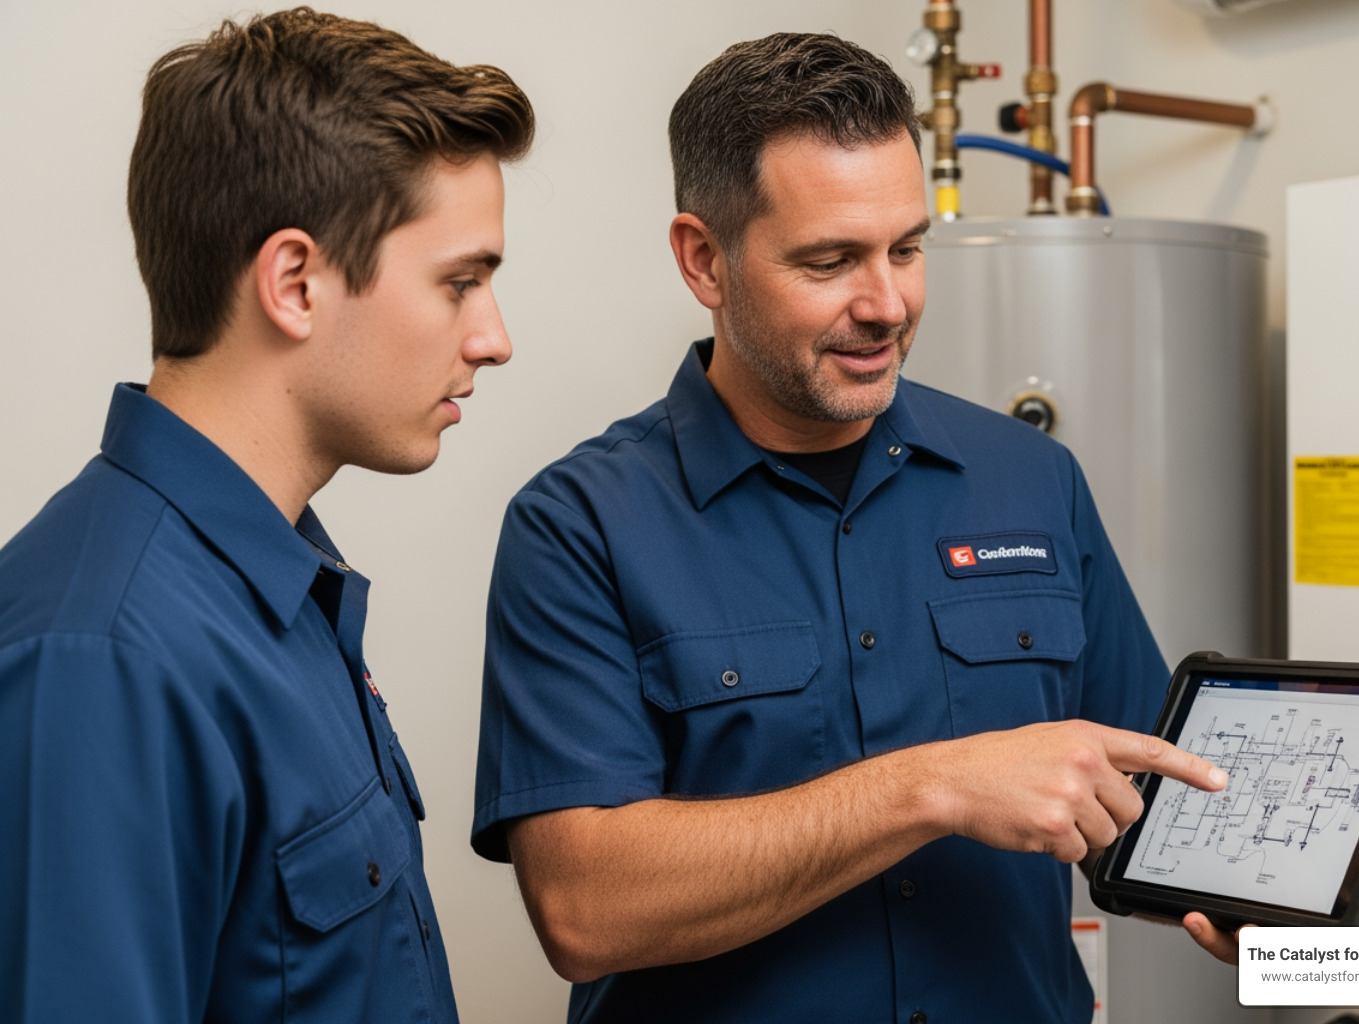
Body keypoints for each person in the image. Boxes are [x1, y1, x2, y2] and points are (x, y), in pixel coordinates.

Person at [472, 32, 1228, 1024]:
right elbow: (585, 906)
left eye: (907, 249)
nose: (887, 305)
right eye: (830, 261)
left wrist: (1274, 898)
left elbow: (1143, 799)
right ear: (705, 259)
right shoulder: (580, 526)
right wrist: (932, 785)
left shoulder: (1032, 479)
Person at [0, 9, 533, 1022]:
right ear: (294, 282)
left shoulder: (276, 592)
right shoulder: (102, 660)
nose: (494, 337)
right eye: (459, 282)